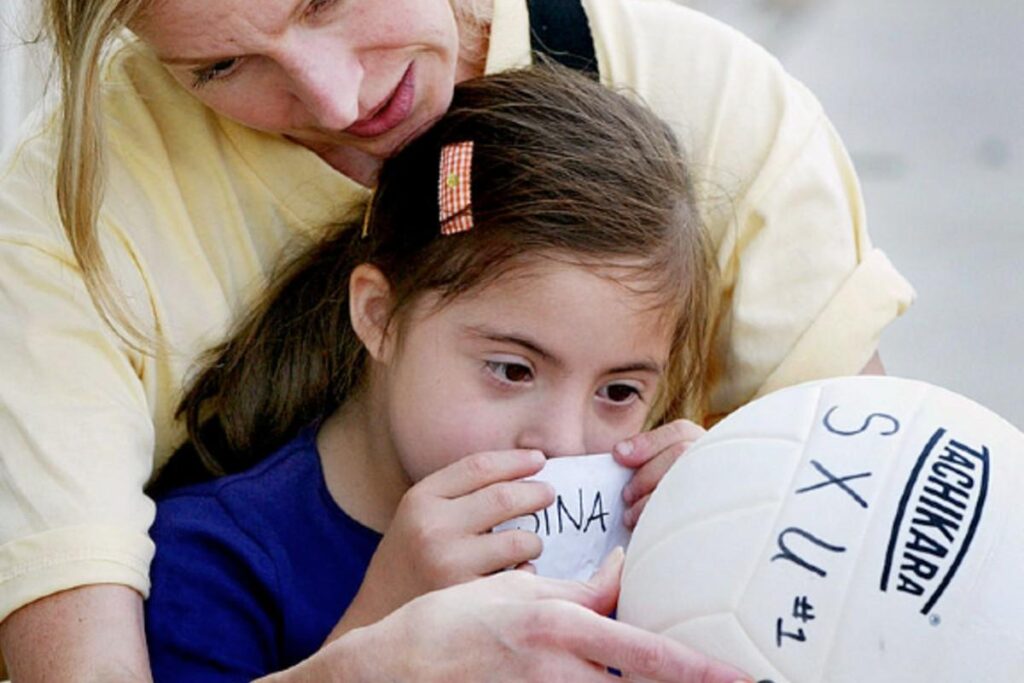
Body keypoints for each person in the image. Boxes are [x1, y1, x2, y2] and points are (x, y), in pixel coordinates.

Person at [0, 0, 914, 679]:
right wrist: (370, 655)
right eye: (222, 66)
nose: (336, 95)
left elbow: (889, 606)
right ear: (377, 316)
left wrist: (739, 519)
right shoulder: (55, 236)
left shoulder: (717, 101)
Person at [144, 62, 726, 680]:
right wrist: (384, 623)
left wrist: (724, 533)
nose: (562, 440)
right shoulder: (215, 562)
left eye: (618, 391)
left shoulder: (648, 539)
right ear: (380, 317)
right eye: (511, 370)